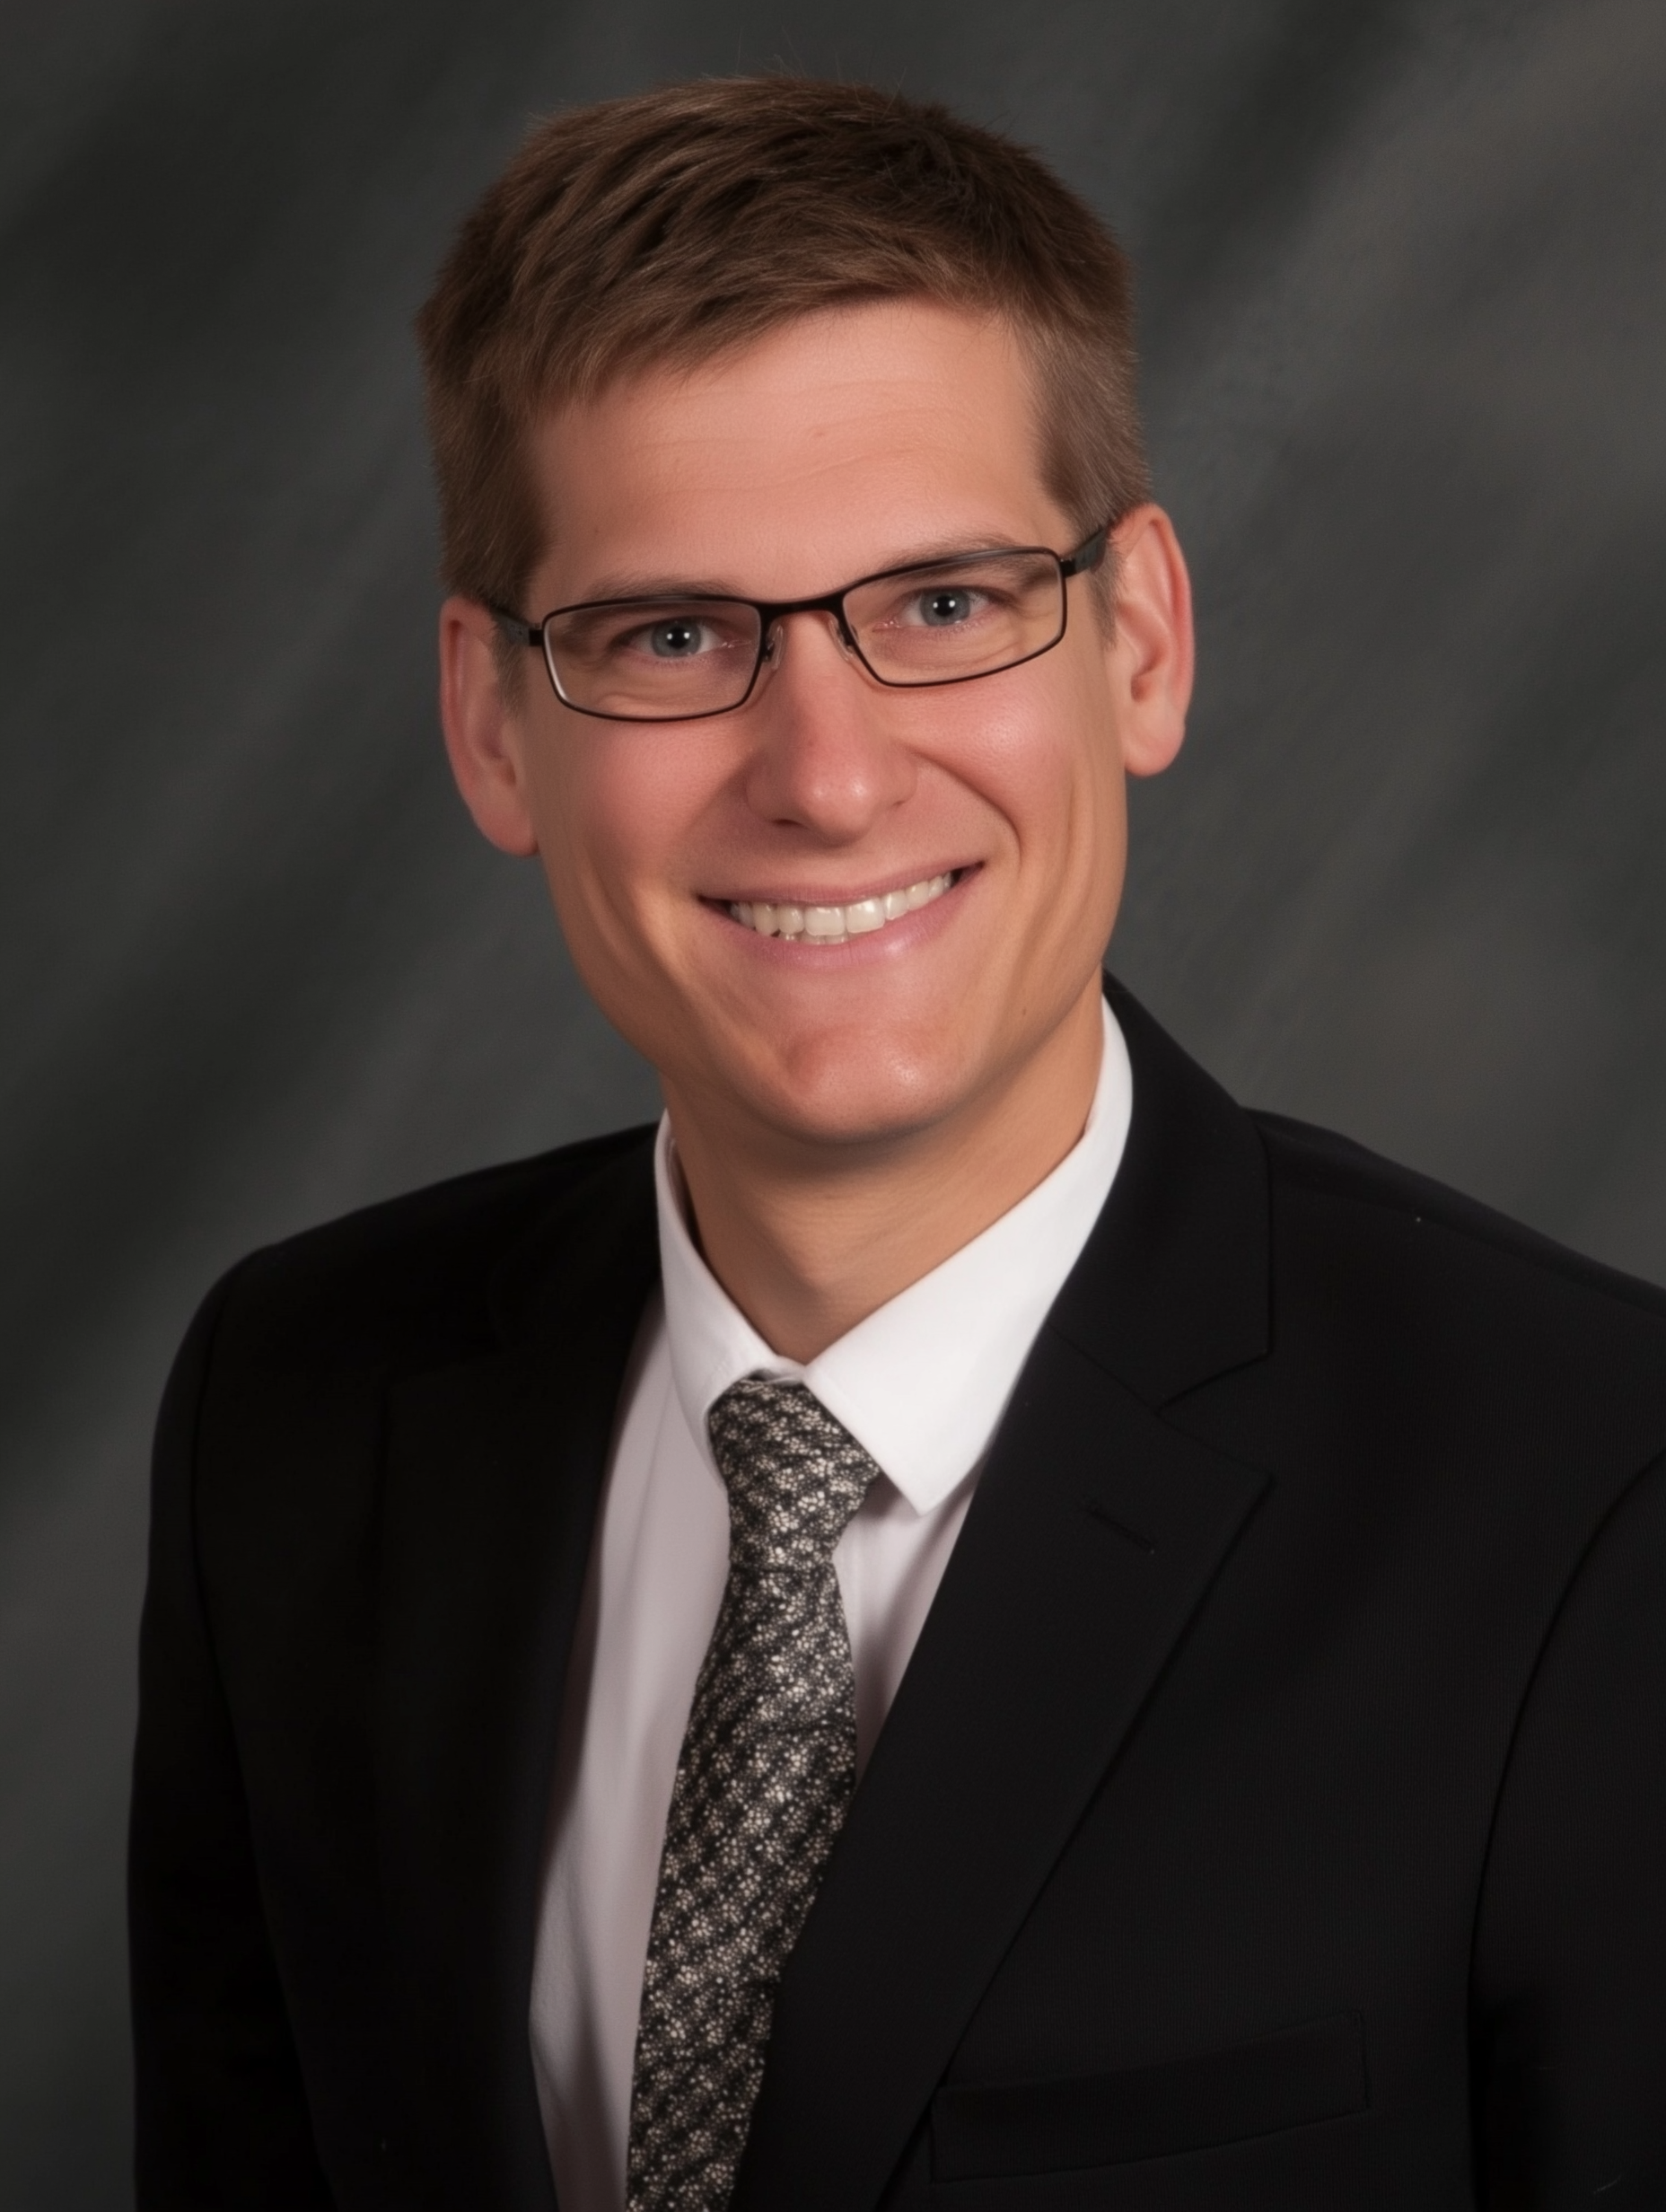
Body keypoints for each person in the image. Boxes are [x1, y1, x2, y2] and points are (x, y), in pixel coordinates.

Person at [128, 75, 1666, 2212]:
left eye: (943, 603)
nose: (827, 777)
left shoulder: (1597, 1490)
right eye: (673, 635)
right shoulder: (296, 1412)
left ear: (1138, 640)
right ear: (493, 723)